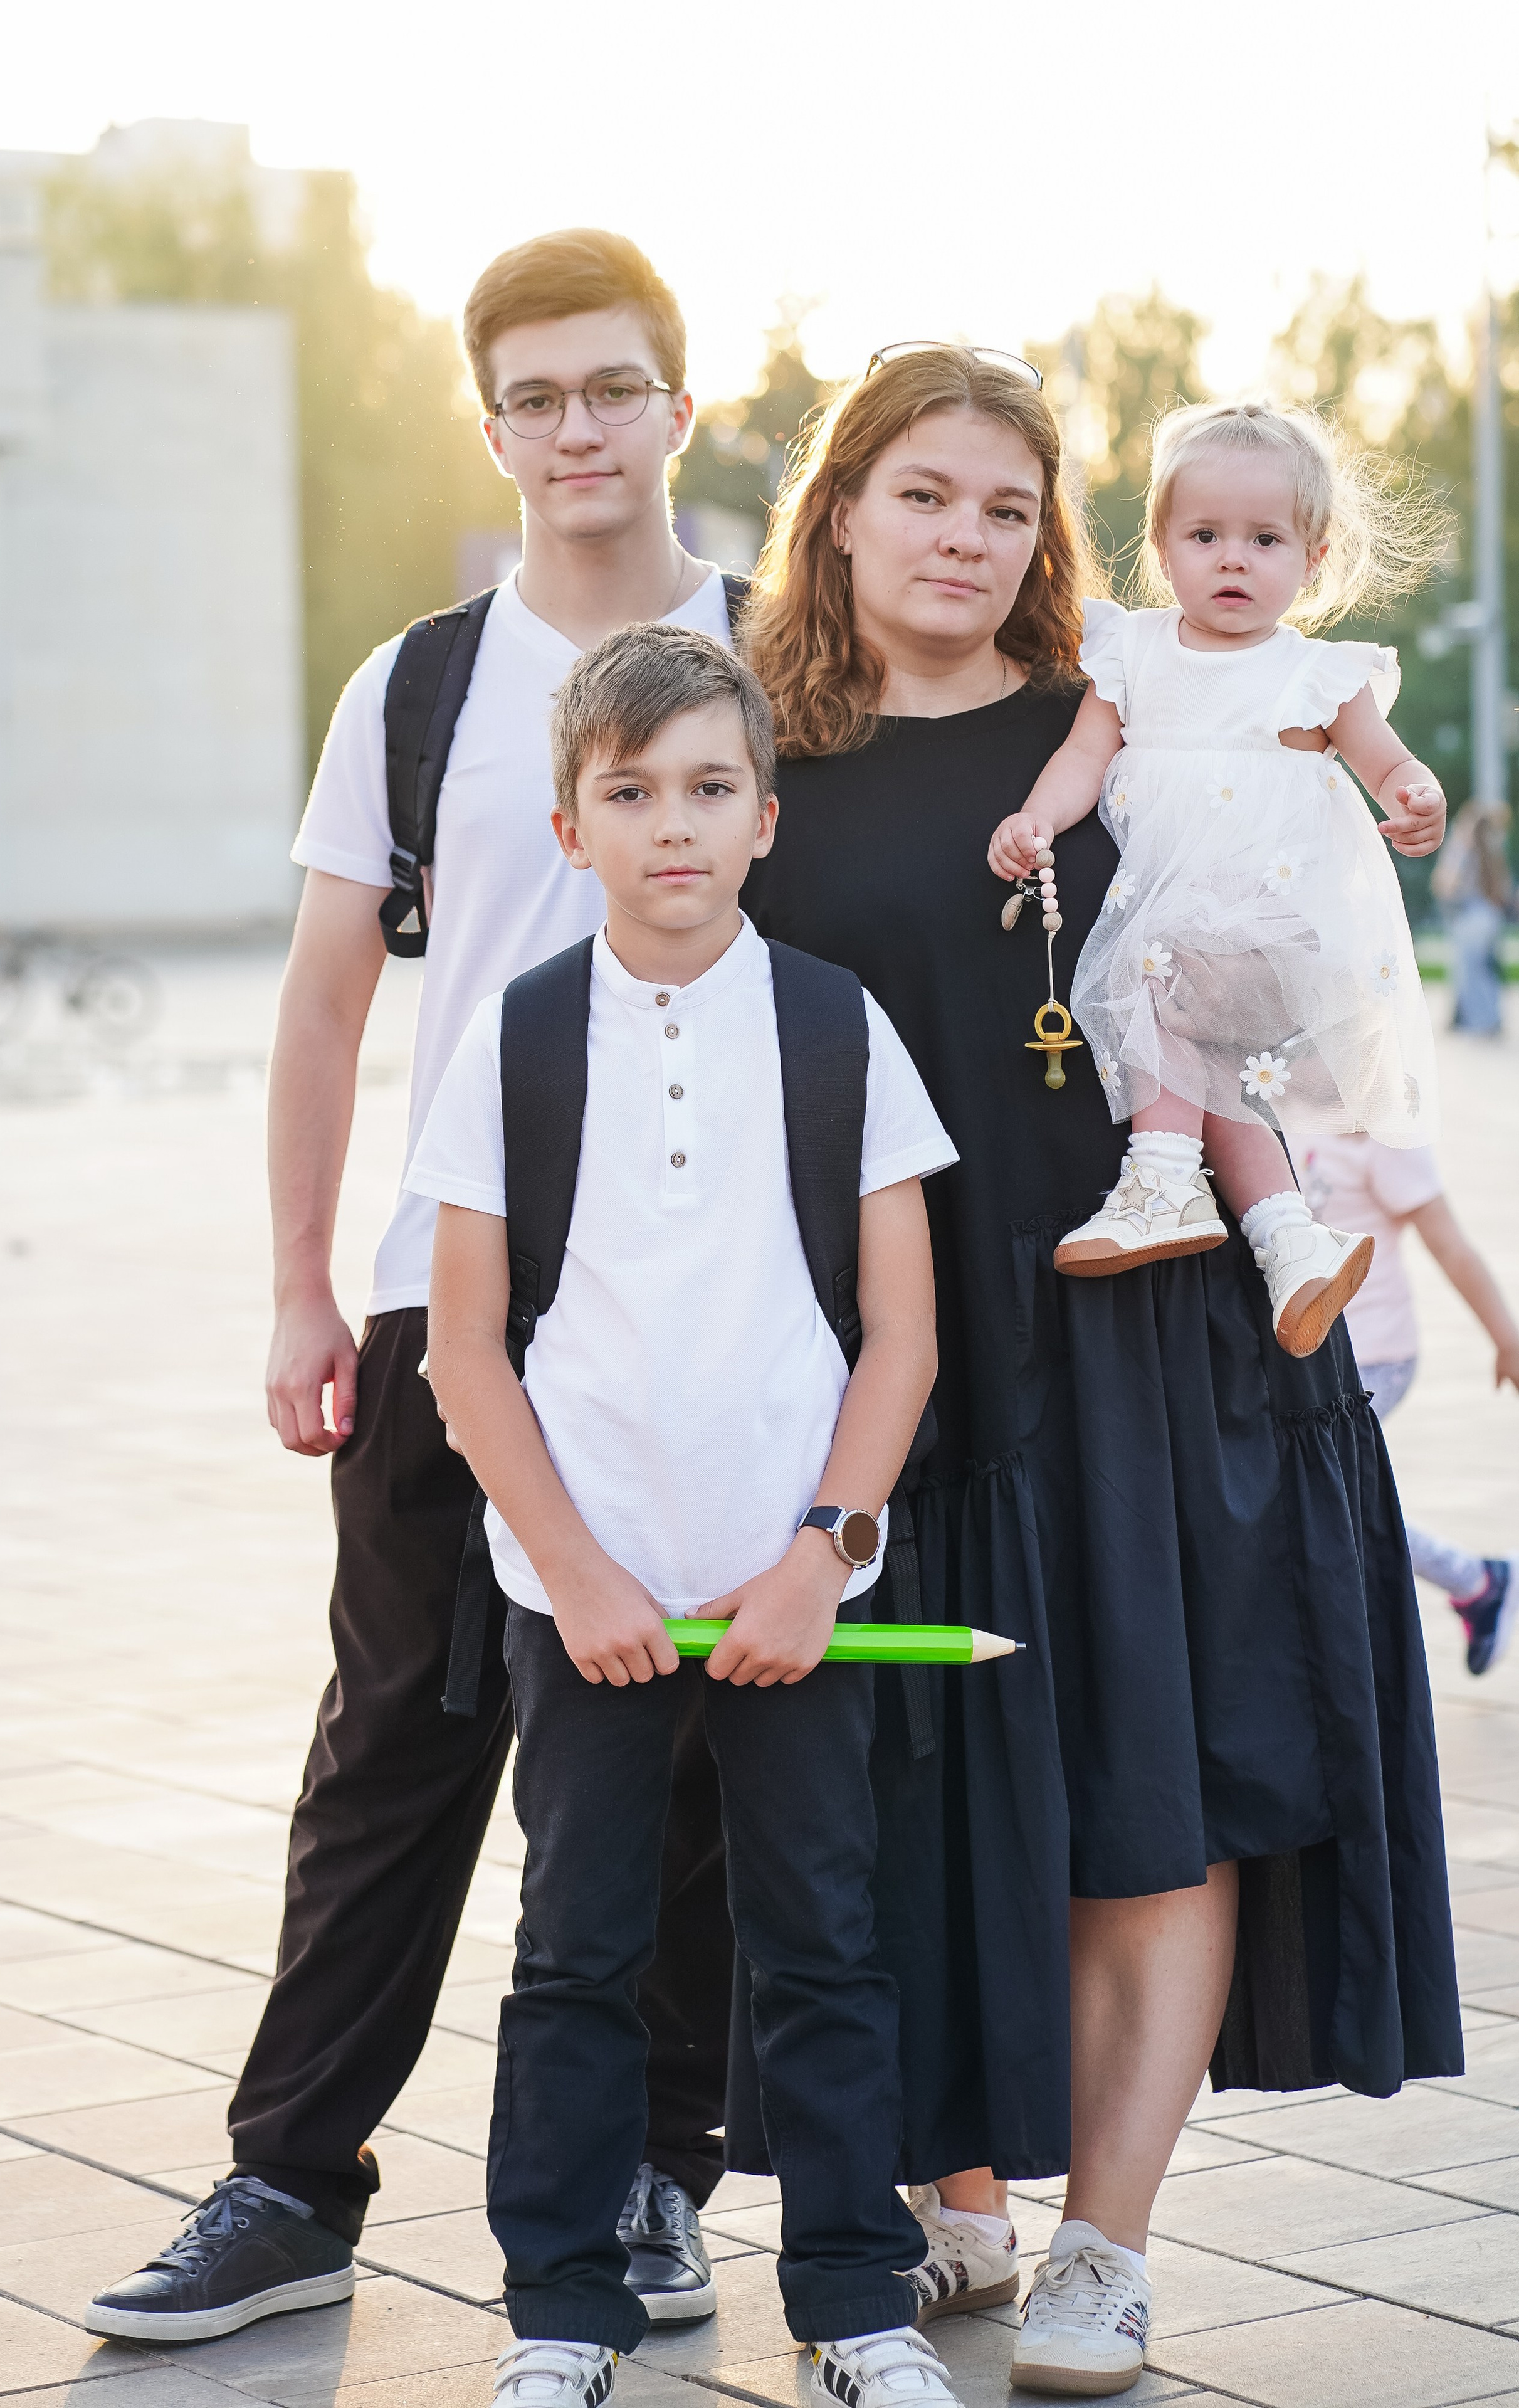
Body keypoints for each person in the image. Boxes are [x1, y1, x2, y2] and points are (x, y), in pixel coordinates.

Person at [740, 344, 1462, 2398]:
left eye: (1005, 504)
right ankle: (953, 2194)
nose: (967, 538)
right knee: (913, 1799)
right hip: (886, 1355)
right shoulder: (757, 752)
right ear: (844, 510)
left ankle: (1110, 2249)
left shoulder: (1134, 718)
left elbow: (1300, 969)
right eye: (925, 495)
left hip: (1159, 1332)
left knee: (1171, 1794)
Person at [86, 229, 739, 2347]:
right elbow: (314, 1009)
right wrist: (297, 1292)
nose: (577, 427)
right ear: (494, 424)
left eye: (612, 386)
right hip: (440, 1301)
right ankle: (291, 2183)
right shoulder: (425, 681)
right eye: (536, 394)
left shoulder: (777, 653)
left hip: (716, 1317)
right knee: (392, 1750)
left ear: (681, 406)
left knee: (680, 1769)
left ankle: (661, 2171)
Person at [413, 622, 965, 2408]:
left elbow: (903, 1335)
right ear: (570, 827)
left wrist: (825, 1553)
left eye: (710, 789)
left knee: (822, 1948)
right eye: (630, 793)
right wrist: (572, 1572)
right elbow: (468, 1355)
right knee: (579, 1956)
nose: (674, 826)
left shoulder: (834, 1026)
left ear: (765, 816)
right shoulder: (515, 1043)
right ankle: (561, 2323)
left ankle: (857, 2308)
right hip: (584, 1598)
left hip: (790, 1594)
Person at [989, 400, 1446, 1360]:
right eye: (1206, 535)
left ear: (1313, 557)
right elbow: (1084, 757)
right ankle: (1292, 1240)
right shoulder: (1135, 652)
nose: (1234, 559)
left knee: (1163, 987)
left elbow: (1387, 762)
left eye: (1265, 539)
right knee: (1207, 1071)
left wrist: (1416, 796)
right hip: (1173, 909)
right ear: (1163, 547)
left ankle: (1162, 1179)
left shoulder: (1318, 675)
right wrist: (1037, 818)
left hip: (1267, 918)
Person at [1298, 1132, 1519, 1671]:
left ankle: (1477, 1580)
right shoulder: (1279, 1099)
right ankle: (1478, 1582)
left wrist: (1507, 1339)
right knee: (1327, 1495)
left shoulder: (1384, 1136)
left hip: (1374, 1357)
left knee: (1338, 1496)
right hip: (1304, 1356)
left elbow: (1450, 1245)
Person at [1434, 797, 1513, 1037]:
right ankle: (1489, 1018)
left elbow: (1446, 883)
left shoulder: (1464, 847)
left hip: (1469, 914)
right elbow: (1504, 889)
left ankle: (1477, 1022)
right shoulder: (1492, 848)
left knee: (1469, 969)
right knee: (1486, 968)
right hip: (1490, 915)